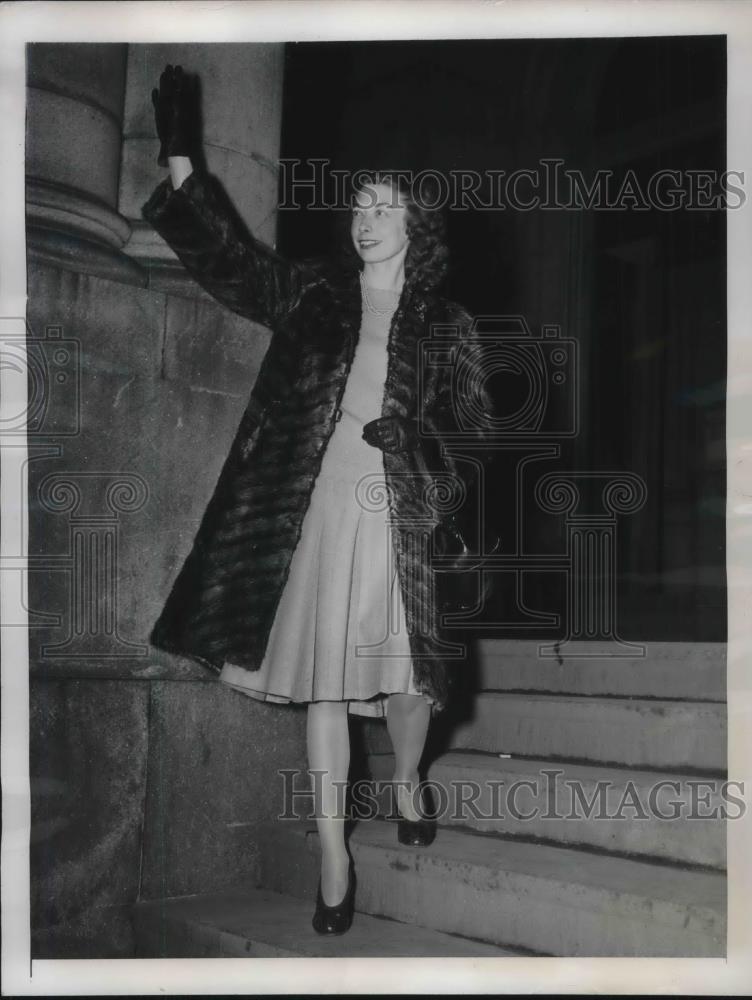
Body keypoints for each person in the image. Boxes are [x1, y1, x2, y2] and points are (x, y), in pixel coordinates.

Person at [144, 65, 494, 936]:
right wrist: (184, 159)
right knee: (327, 689)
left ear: (417, 225)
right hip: (314, 504)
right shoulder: (312, 295)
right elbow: (231, 264)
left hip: (401, 516)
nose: (366, 218)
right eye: (360, 205)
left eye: (386, 207)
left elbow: (479, 431)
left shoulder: (448, 326)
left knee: (413, 680)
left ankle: (409, 775)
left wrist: (423, 450)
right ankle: (334, 852)